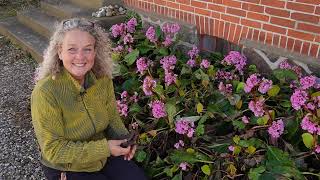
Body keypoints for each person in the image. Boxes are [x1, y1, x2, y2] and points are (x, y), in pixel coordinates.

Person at [31, 18, 147, 180]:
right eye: (72, 49)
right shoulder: (46, 92)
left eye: (87, 49)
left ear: (95, 51)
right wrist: (105, 148)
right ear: (59, 51)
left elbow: (112, 119)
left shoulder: (102, 79)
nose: (80, 57)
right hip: (68, 166)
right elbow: (54, 150)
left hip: (103, 156)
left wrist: (124, 140)